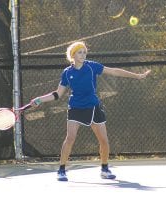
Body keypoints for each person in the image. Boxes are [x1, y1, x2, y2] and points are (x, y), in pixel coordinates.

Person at [30, 41, 151, 181]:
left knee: (104, 141)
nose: (83, 54)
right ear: (73, 55)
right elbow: (57, 94)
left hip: (93, 106)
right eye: (80, 52)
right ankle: (61, 170)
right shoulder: (67, 72)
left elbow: (113, 71)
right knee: (70, 138)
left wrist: (136, 76)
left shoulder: (92, 66)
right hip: (75, 107)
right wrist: (39, 99)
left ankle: (105, 169)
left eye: (84, 52)